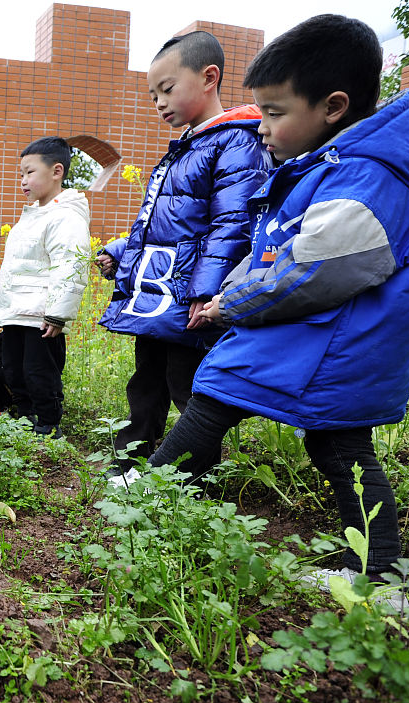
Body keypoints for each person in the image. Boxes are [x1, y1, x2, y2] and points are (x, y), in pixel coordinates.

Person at [130, 15, 409, 607]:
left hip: (337, 342)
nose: (263, 129)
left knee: (259, 412)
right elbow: (274, 248)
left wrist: (231, 303)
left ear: (333, 106)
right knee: (311, 435)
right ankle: (376, 572)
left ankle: (140, 506)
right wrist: (241, 285)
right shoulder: (326, 167)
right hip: (315, 338)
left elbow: (316, 271)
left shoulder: (369, 175)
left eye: (274, 113)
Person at [96, 32, 271, 468]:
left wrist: (206, 290)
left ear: (208, 77)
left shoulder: (237, 141)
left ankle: (190, 478)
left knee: (185, 386)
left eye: (167, 89)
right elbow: (162, 222)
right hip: (161, 293)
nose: (159, 102)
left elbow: (232, 223)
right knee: (146, 381)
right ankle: (130, 464)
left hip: (191, 295)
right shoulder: (186, 148)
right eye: (153, 94)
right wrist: (120, 251)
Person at [0, 137, 91, 436]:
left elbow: (70, 265)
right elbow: (14, 267)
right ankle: (24, 418)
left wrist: (57, 314)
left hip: (41, 315)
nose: (23, 180)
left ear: (56, 171)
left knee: (40, 371)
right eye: (21, 173)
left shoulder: (66, 216)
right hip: (17, 310)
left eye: (29, 172)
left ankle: (48, 424)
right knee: (14, 369)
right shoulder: (31, 216)